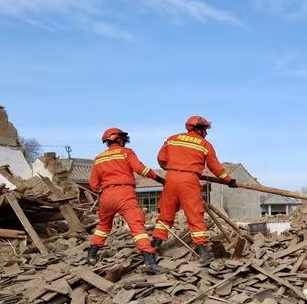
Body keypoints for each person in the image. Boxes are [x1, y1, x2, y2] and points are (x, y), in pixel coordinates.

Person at [152, 116, 236, 264]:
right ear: (199, 129)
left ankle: (154, 246)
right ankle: (202, 250)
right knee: (195, 214)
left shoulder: (172, 139)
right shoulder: (204, 144)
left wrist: (175, 167)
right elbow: (215, 167)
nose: (206, 133)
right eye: (205, 129)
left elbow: (161, 159)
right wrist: (229, 180)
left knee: (166, 214)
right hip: (189, 181)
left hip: (171, 179)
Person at [87, 128, 165, 274]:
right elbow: (140, 169)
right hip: (124, 193)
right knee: (137, 226)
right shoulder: (126, 152)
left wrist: (105, 190)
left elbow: (93, 185)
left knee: (103, 226)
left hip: (107, 196)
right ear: (119, 139)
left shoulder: (99, 158)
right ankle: (149, 261)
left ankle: (91, 255)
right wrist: (159, 179)